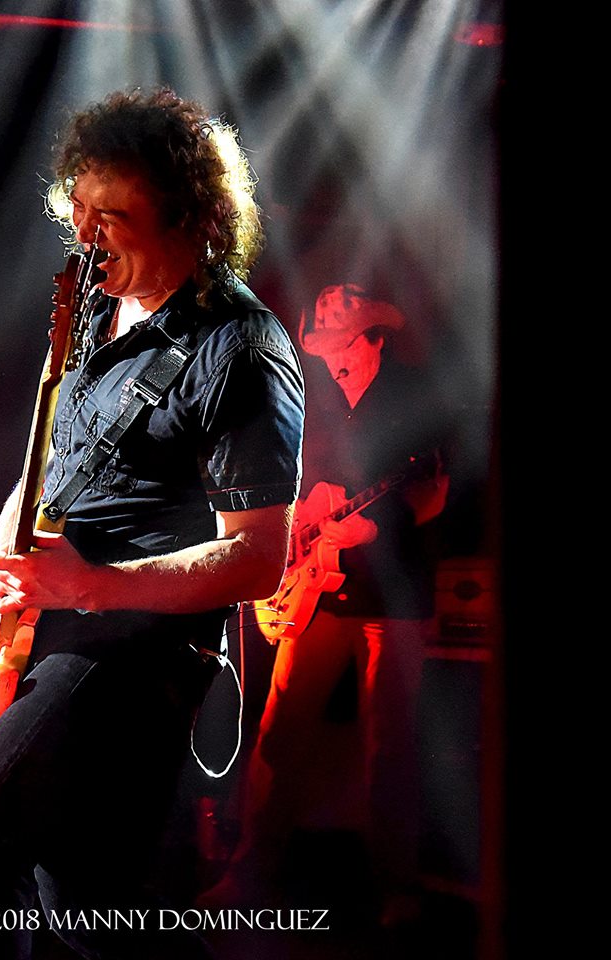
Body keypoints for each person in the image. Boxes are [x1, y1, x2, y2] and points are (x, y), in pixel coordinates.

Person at [0, 88, 305, 960]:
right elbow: (42, 478)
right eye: (80, 210)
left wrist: (90, 586)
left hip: (136, 655)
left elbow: (259, 559)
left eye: (115, 217)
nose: (87, 236)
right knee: (87, 900)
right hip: (53, 627)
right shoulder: (94, 310)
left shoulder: (241, 349)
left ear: (190, 221)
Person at [205, 283, 448, 929]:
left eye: (343, 346)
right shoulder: (321, 408)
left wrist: (377, 528)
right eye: (325, 349)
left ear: (375, 339)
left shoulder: (415, 399)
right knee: (278, 731)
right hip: (318, 591)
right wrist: (298, 530)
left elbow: (435, 494)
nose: (333, 360)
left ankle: (396, 889)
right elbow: (299, 490)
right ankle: (247, 872)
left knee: (389, 745)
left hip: (393, 599)